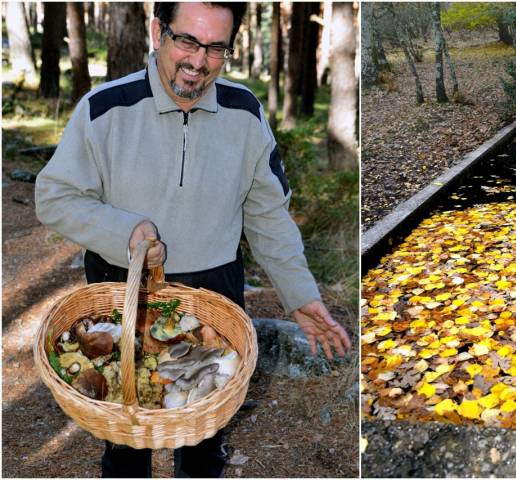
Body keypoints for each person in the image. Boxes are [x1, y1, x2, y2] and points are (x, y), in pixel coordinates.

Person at [35, 2, 352, 478]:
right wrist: (127, 232)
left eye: (215, 48)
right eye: (187, 41)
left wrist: (299, 295)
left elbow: (267, 214)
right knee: (126, 439)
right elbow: (54, 197)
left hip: (215, 297)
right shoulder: (105, 109)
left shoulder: (244, 113)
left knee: (205, 440)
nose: (199, 62)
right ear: (157, 31)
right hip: (122, 293)